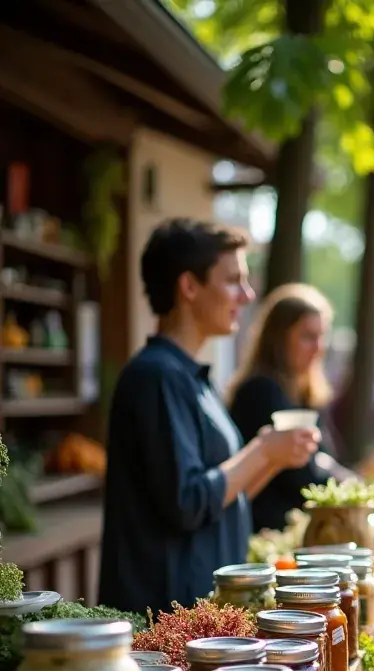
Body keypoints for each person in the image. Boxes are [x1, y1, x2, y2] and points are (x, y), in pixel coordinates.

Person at [99, 219, 320, 616]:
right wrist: (262, 450)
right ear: (189, 287)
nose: (248, 294)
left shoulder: (193, 378)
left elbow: (220, 500)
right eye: (234, 280)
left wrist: (273, 459)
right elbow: (187, 502)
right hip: (164, 617)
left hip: (199, 609)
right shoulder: (157, 377)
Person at [228, 284, 352, 532]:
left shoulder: (304, 394)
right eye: (307, 336)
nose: (318, 347)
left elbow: (324, 457)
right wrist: (348, 481)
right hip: (264, 534)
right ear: (278, 339)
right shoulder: (261, 391)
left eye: (321, 335)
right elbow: (302, 475)